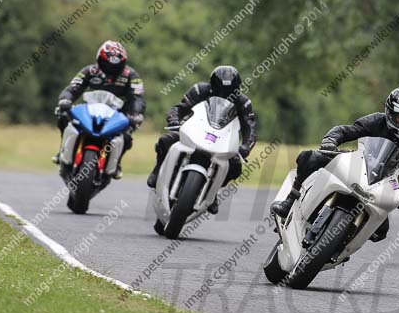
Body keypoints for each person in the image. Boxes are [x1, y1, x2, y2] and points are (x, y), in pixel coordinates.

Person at [270, 86, 399, 242]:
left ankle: (343, 242)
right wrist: (330, 141)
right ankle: (290, 201)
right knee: (309, 158)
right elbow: (345, 131)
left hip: (385, 184)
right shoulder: (377, 121)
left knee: (380, 233)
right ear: (390, 115)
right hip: (358, 164)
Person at [146, 66, 257, 214]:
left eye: (229, 92)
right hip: (194, 130)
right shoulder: (199, 90)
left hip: (221, 139)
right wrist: (174, 120)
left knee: (235, 166)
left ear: (237, 88)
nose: (223, 95)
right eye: (219, 90)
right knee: (165, 141)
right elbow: (179, 108)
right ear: (212, 85)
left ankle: (213, 189)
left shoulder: (243, 103)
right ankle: (157, 170)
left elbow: (250, 129)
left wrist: (245, 147)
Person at [54, 41, 145, 178]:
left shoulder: (131, 75)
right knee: (64, 116)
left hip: (118, 114)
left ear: (123, 63)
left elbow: (138, 98)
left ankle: (117, 162)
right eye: (107, 63)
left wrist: (136, 114)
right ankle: (63, 149)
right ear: (99, 60)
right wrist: (65, 100)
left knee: (127, 134)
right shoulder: (89, 71)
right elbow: (72, 88)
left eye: (116, 66)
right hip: (90, 111)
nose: (111, 68)